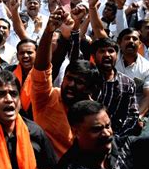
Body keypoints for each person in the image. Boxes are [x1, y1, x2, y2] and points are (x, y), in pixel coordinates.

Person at [30, 9, 101, 157]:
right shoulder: (48, 98)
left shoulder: (95, 113)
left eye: (79, 82)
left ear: (90, 89)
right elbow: (41, 68)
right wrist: (49, 31)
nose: (71, 85)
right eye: (69, 78)